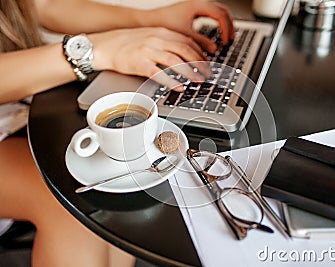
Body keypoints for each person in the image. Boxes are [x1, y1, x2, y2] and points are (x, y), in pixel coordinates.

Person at [0, 0, 234, 266]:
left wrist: (150, 18)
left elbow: (40, 5)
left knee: (112, 195)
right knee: (70, 207)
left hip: (15, 107)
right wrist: (94, 50)